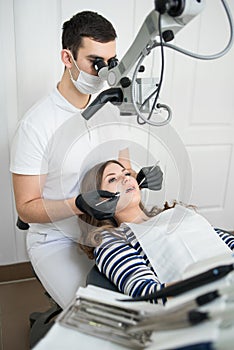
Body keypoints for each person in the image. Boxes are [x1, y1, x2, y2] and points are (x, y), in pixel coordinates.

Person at [10, 11, 163, 309]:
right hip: (58, 240)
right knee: (101, 316)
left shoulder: (110, 110)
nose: (105, 72)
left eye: (111, 63)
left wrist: (139, 178)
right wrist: (77, 204)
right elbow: (26, 209)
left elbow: (123, 168)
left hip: (108, 231)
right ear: (67, 58)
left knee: (153, 300)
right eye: (96, 63)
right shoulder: (36, 125)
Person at [76, 159, 234, 302]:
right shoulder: (111, 239)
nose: (126, 178)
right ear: (98, 200)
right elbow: (146, 292)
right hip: (208, 299)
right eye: (112, 179)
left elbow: (220, 240)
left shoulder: (174, 214)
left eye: (127, 173)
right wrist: (215, 284)